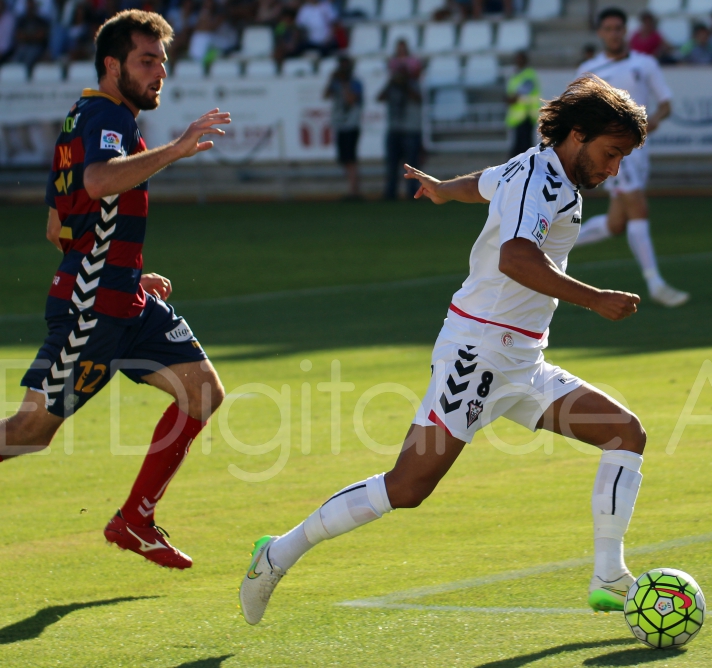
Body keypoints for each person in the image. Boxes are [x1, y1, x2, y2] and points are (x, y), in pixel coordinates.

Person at [239, 74, 650, 624]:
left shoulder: (534, 166)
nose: (615, 168)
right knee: (407, 487)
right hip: (476, 355)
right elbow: (516, 259)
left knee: (625, 433)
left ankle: (608, 577)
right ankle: (277, 553)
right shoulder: (541, 182)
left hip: (521, 362)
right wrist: (594, 299)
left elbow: (483, 183)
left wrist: (440, 188)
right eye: (611, 153)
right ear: (577, 134)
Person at [0, 9, 231, 569]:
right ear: (112, 65)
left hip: (121, 296)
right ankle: (135, 519)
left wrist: (126, 270)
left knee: (202, 393)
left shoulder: (87, 117)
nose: (159, 73)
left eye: (162, 62)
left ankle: (135, 519)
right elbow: (101, 181)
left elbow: (60, 225)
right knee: (30, 432)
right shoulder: (106, 116)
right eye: (146, 61)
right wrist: (175, 149)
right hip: (92, 310)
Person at [575, 7, 689, 307]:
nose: (614, 33)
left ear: (626, 31)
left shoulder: (645, 63)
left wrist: (655, 120)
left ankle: (553, 243)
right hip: (614, 153)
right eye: (608, 29)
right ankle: (655, 283)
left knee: (616, 224)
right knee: (638, 208)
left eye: (618, 28)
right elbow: (577, 112)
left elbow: (665, 102)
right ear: (601, 33)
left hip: (640, 151)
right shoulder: (589, 71)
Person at [379, 60, 422, 200]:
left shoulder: (413, 85)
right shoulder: (392, 87)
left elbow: (418, 98)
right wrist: (391, 84)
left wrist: (405, 86)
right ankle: (391, 193)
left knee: (412, 167)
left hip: (410, 130)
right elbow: (380, 97)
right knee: (392, 165)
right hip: (395, 130)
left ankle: (413, 194)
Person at [324, 55, 363, 199]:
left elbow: (351, 100)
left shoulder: (355, 83)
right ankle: (352, 189)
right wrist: (332, 80)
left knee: (351, 159)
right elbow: (325, 94)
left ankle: (354, 190)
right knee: (345, 159)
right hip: (341, 124)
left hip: (351, 124)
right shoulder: (336, 82)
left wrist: (344, 83)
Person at [505, 50, 540, 158]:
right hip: (518, 117)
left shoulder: (528, 74)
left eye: (520, 59)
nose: (518, 61)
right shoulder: (515, 75)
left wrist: (512, 98)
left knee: (524, 148)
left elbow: (523, 91)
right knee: (519, 146)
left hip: (526, 115)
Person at [12, 0, 50, 67]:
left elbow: (41, 36)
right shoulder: (22, 20)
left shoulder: (41, 21)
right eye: (29, 6)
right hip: (23, 47)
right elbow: (19, 35)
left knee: (29, 58)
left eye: (31, 7)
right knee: (15, 61)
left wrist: (26, 36)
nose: (30, 8)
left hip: (37, 47)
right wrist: (33, 36)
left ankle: (26, 76)